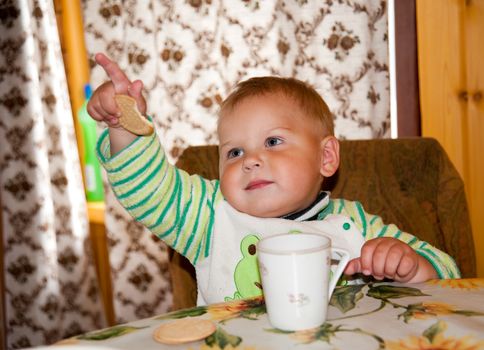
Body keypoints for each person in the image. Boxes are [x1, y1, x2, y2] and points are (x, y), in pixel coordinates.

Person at [88, 53, 460, 305]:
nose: (251, 161)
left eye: (273, 141)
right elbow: (151, 192)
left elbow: (449, 277)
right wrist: (125, 126)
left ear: (326, 157)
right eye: (234, 152)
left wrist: (409, 264)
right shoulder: (209, 217)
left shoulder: (355, 225)